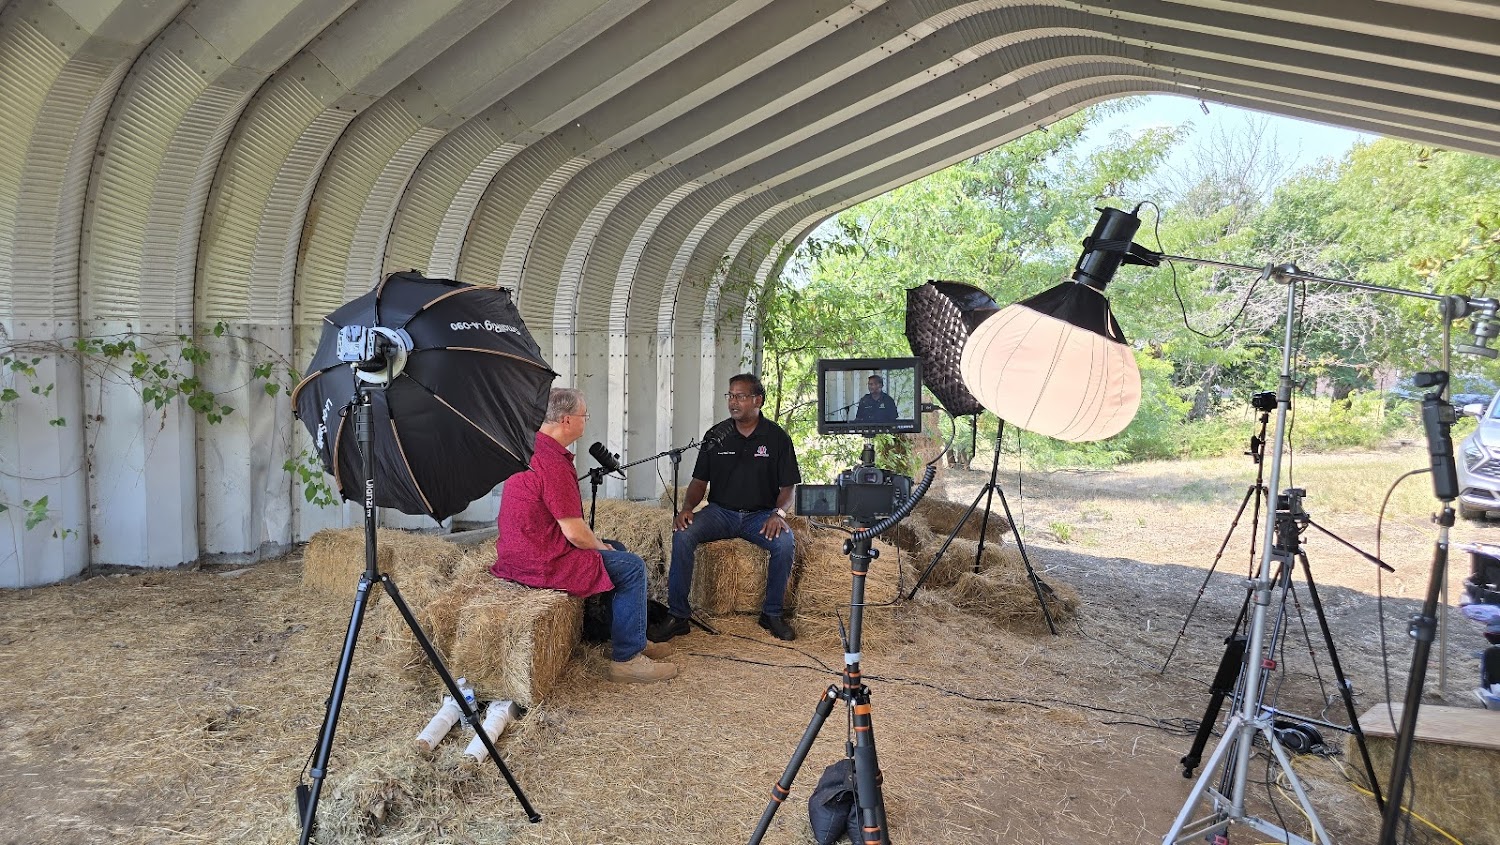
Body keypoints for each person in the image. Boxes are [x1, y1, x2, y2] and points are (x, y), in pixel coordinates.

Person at [491, 387, 677, 684]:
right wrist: (600, 547)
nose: (585, 420)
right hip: (541, 562)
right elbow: (575, 533)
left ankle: (631, 638)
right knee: (632, 567)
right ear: (566, 420)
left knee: (618, 549)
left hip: (521, 553)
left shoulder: (532, 448)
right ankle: (627, 661)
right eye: (584, 415)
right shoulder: (552, 462)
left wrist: (604, 547)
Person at [651, 374, 801, 642]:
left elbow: (788, 487)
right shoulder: (716, 436)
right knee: (683, 534)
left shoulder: (777, 438)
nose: (733, 402)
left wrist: (778, 515)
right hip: (720, 513)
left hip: (759, 516)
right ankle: (678, 616)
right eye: (730, 396)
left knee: (785, 543)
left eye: (740, 396)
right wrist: (687, 508)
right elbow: (699, 482)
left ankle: (772, 614)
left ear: (758, 400)